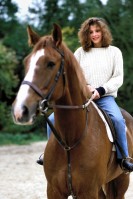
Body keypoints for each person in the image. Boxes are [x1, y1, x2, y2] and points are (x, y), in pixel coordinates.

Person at [37, 17, 133, 172]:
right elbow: (74, 75)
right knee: (52, 118)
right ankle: (50, 154)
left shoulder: (114, 52)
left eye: (97, 31)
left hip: (105, 97)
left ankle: (124, 158)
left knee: (117, 119)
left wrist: (100, 90)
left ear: (103, 32)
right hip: (82, 97)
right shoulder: (80, 52)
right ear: (85, 34)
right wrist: (86, 86)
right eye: (90, 32)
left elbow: (118, 77)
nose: (94, 34)